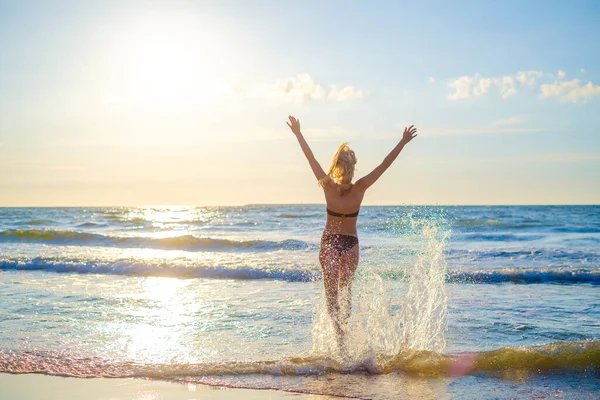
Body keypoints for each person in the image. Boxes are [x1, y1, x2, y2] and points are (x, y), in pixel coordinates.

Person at [286, 115, 417, 350]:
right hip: (339, 243)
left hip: (341, 243)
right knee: (337, 293)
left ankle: (342, 338)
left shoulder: (346, 186)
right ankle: (340, 338)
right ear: (345, 167)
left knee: (340, 294)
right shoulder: (343, 186)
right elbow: (312, 159)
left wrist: (402, 143)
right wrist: (297, 133)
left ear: (344, 167)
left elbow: (383, 165)